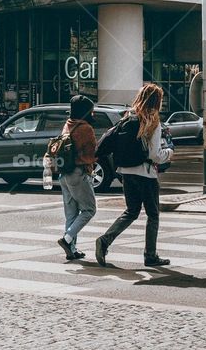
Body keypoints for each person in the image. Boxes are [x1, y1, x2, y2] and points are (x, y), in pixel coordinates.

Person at [95, 82, 173, 268]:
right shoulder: (152, 120)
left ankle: (105, 240)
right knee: (153, 215)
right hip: (145, 174)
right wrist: (169, 152)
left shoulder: (128, 117)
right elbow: (155, 155)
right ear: (157, 101)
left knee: (131, 212)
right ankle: (150, 255)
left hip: (126, 173)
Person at [56, 94, 97, 261]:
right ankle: (67, 239)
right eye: (91, 111)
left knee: (71, 214)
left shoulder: (68, 124)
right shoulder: (86, 128)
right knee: (89, 210)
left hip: (64, 173)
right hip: (78, 173)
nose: (93, 114)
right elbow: (93, 152)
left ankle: (71, 250)